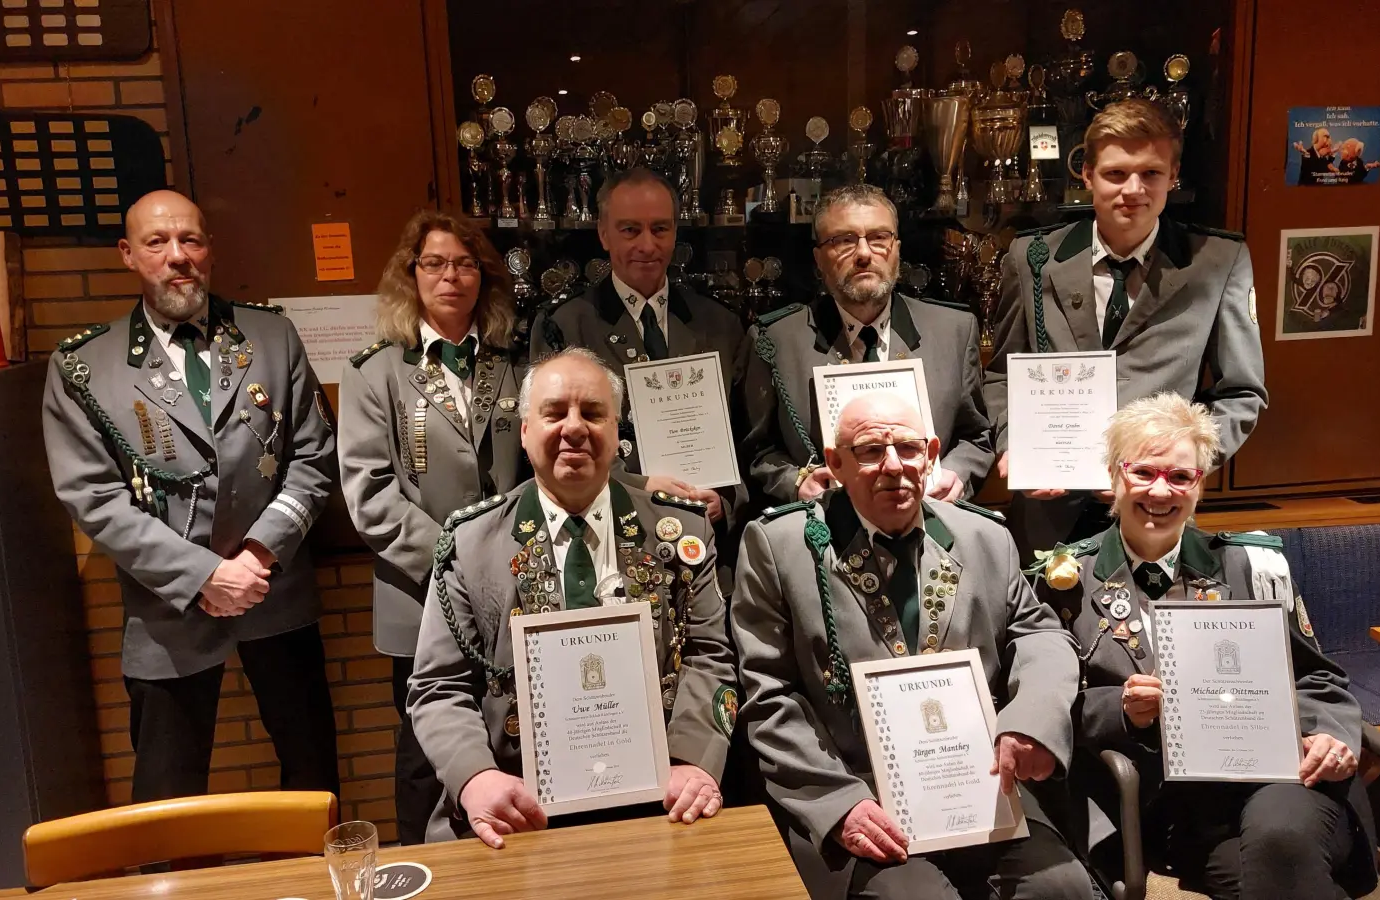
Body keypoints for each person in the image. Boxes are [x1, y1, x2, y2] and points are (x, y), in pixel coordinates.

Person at [732, 391, 1091, 900]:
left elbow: (1041, 635)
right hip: (855, 788)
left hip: (975, 778)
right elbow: (768, 695)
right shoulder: (781, 545)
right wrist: (837, 803)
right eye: (871, 450)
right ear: (835, 463)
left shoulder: (986, 537)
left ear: (932, 452)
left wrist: (1031, 718)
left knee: (1062, 889)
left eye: (908, 448)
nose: (894, 466)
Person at [42, 190, 339, 802]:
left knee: (312, 779)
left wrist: (257, 555)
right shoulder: (84, 367)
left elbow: (312, 458)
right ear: (128, 254)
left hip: (273, 588)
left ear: (209, 250)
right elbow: (95, 499)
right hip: (167, 608)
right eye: (158, 243)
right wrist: (205, 575)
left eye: (191, 241)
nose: (178, 256)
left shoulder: (272, 336)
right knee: (165, 791)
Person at [1031, 393, 1376, 900]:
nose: (1160, 491)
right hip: (1173, 811)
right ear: (1113, 478)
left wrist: (1329, 733)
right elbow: (1049, 709)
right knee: (1268, 878)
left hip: (1283, 779)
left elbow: (1317, 678)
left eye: (1179, 476)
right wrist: (1125, 711)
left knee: (1281, 840)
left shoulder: (1248, 567)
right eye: (1143, 472)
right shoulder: (1065, 583)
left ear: (1200, 486)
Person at [406, 348, 738, 845]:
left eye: (593, 413)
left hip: (660, 798)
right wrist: (476, 779)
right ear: (524, 431)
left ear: (618, 431)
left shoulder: (679, 532)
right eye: (555, 412)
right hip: (515, 803)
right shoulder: (470, 544)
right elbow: (438, 688)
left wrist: (693, 762)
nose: (575, 428)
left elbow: (709, 655)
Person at [986, 98, 1267, 563]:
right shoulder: (1032, 259)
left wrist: (1175, 468)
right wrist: (1014, 442)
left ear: (1173, 175)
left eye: (1151, 174)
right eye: (1116, 173)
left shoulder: (1218, 262)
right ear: (1088, 174)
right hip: (1049, 512)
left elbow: (1243, 393)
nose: (1132, 189)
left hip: (1157, 511)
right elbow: (1000, 377)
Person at [338, 209, 529, 843]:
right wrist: (457, 564)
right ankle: (427, 869)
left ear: (485, 276)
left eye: (466, 263)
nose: (451, 276)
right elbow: (369, 495)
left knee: (513, 740)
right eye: (435, 263)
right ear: (410, 275)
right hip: (419, 596)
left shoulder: (516, 361)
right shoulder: (374, 371)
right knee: (425, 749)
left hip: (516, 588)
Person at [738, 183, 994, 507]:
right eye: (843, 241)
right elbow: (757, 450)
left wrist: (957, 474)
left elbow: (976, 437)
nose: (863, 254)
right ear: (819, 258)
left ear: (897, 249)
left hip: (927, 526)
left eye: (878, 238)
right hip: (824, 533)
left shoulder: (954, 332)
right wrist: (796, 482)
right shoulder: (773, 341)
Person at [530, 167, 745, 530]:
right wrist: (637, 487)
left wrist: (727, 499)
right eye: (630, 230)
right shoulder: (564, 327)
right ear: (603, 234)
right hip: (608, 531)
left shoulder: (721, 325)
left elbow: (747, 438)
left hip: (705, 536)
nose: (648, 245)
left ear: (675, 232)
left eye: (660, 229)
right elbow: (548, 442)